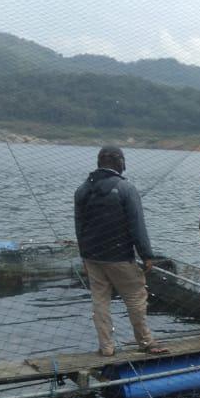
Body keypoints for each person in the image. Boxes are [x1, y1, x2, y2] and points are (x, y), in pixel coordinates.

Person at [74, 146, 168, 356]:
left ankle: (106, 346)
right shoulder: (126, 189)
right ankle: (145, 341)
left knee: (100, 301)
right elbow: (137, 225)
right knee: (135, 296)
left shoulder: (82, 190)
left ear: (99, 162)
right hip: (119, 256)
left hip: (91, 256)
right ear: (120, 163)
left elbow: (78, 226)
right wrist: (146, 255)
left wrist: (83, 254)